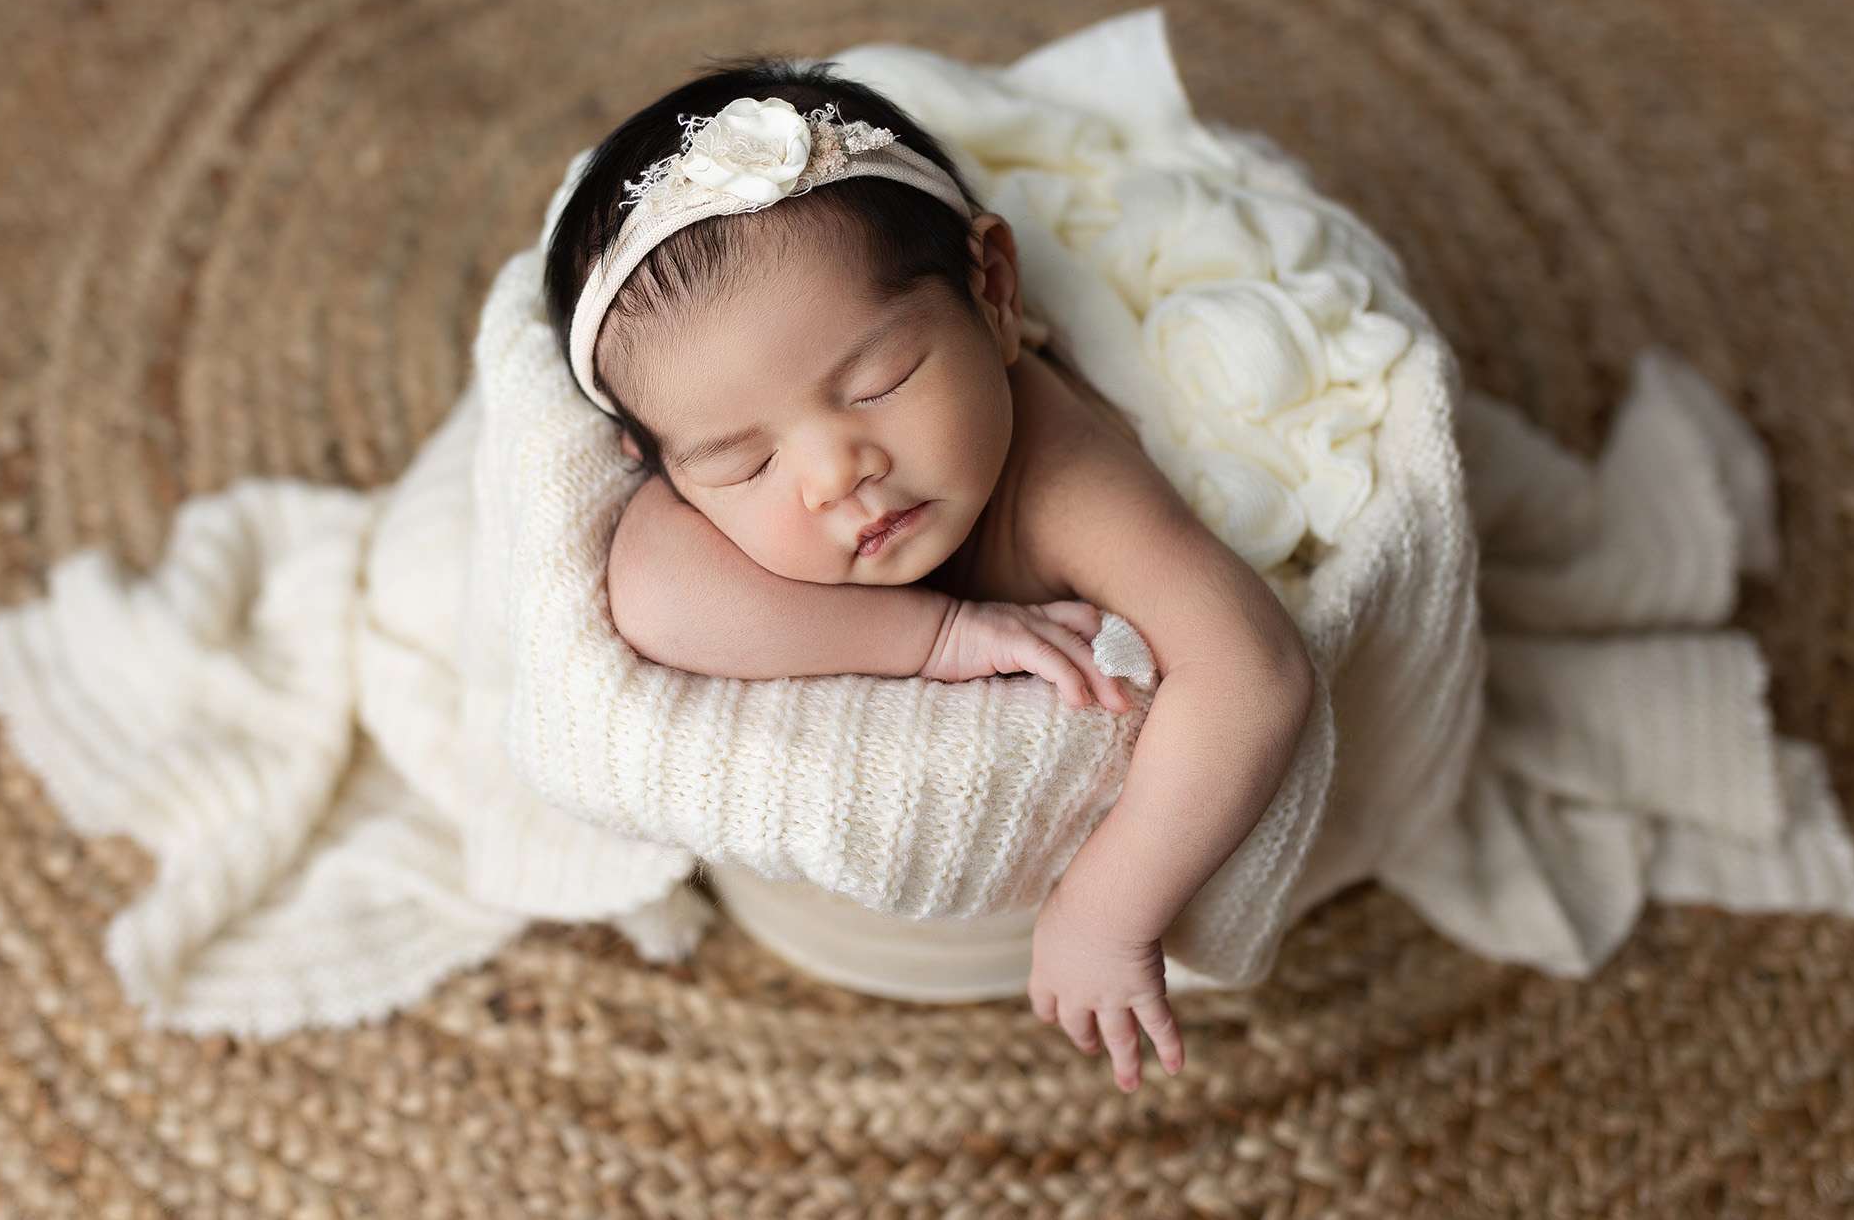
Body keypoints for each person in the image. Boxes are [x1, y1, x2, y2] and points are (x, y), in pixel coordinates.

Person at [543, 57, 1316, 1095]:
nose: (833, 474)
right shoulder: (701, 499)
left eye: (877, 381)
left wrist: (1108, 902)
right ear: (663, 468)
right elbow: (647, 592)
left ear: (992, 292)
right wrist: (936, 637)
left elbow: (1250, 667)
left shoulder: (1059, 477)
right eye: (743, 460)